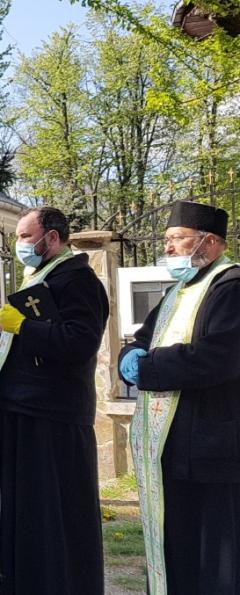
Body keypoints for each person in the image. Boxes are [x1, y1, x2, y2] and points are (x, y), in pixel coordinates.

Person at [120, 200, 240, 595]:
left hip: (213, 445)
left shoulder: (230, 287)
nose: (168, 248)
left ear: (208, 242)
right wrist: (128, 358)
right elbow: (142, 338)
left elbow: (218, 357)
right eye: (167, 239)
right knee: (179, 544)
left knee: (215, 554)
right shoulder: (177, 291)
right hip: (172, 447)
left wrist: (149, 367)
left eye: (176, 239)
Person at [0, 207, 107, 595]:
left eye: (26, 237)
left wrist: (25, 326)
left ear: (52, 238)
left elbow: (80, 342)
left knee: (53, 512)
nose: (20, 245)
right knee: (29, 512)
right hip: (26, 406)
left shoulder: (78, 280)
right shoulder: (44, 275)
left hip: (53, 414)